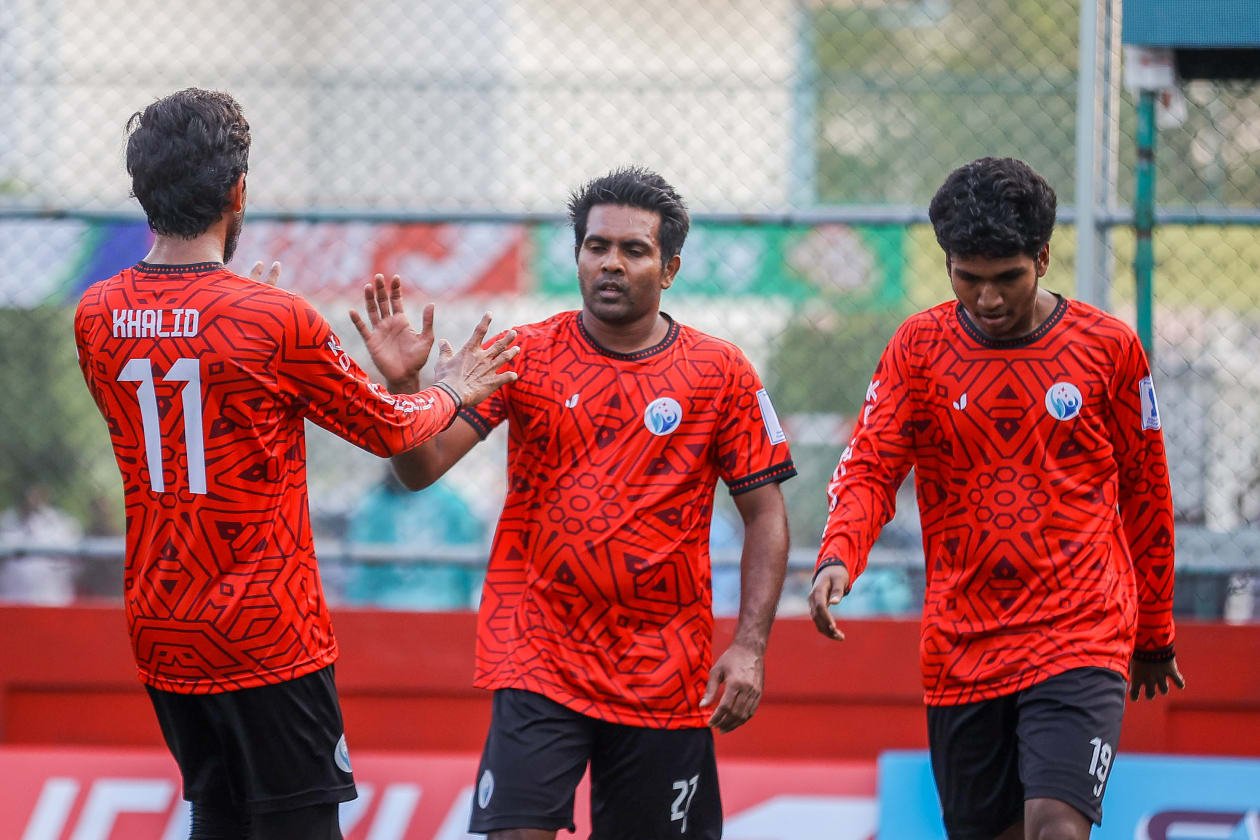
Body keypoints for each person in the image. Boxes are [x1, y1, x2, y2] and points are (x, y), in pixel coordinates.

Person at [72, 88, 518, 840]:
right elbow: (390, 430)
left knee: (217, 817)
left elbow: (182, 386)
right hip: (267, 637)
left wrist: (241, 331)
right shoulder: (274, 320)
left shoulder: (96, 314)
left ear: (142, 191)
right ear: (238, 191)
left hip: (163, 627)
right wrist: (451, 388)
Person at [357, 166, 796, 839]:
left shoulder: (721, 372)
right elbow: (422, 468)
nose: (611, 263)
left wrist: (750, 646)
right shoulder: (522, 354)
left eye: (634, 250)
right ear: (578, 255)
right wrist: (406, 388)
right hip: (538, 656)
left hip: (662, 671)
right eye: (597, 246)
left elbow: (765, 515)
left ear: (670, 269)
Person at [808, 157, 1185, 840]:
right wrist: (839, 555)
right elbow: (870, 466)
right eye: (967, 278)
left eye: (1006, 278)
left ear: (1042, 258)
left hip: (1080, 631)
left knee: (1056, 825)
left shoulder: (1109, 348)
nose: (986, 299)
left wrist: (1154, 631)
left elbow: (1147, 493)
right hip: (963, 645)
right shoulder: (918, 348)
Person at [343, 468, 488, 610]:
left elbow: (467, 572)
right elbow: (361, 575)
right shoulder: (375, 505)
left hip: (443, 605)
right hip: (384, 605)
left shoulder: (450, 503)